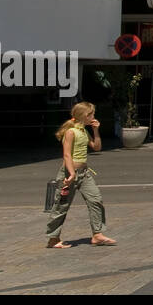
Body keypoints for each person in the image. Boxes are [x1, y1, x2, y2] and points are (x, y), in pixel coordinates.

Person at [46, 102, 116, 249]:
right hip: (69, 173)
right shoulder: (71, 132)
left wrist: (96, 130)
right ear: (85, 115)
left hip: (84, 173)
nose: (94, 116)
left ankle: (97, 234)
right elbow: (66, 155)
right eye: (92, 114)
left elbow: (97, 147)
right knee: (61, 206)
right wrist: (71, 173)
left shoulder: (84, 131)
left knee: (96, 199)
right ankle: (53, 238)